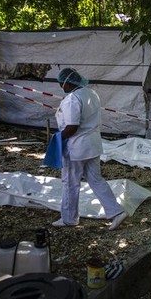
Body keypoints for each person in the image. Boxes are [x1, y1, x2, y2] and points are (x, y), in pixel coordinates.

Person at [52, 68, 127, 230]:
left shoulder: (73, 98)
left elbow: (72, 126)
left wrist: (58, 139)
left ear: (68, 83)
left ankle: (69, 219)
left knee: (70, 183)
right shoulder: (91, 93)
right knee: (96, 179)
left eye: (61, 84)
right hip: (93, 145)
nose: (60, 88)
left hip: (76, 147)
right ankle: (116, 212)